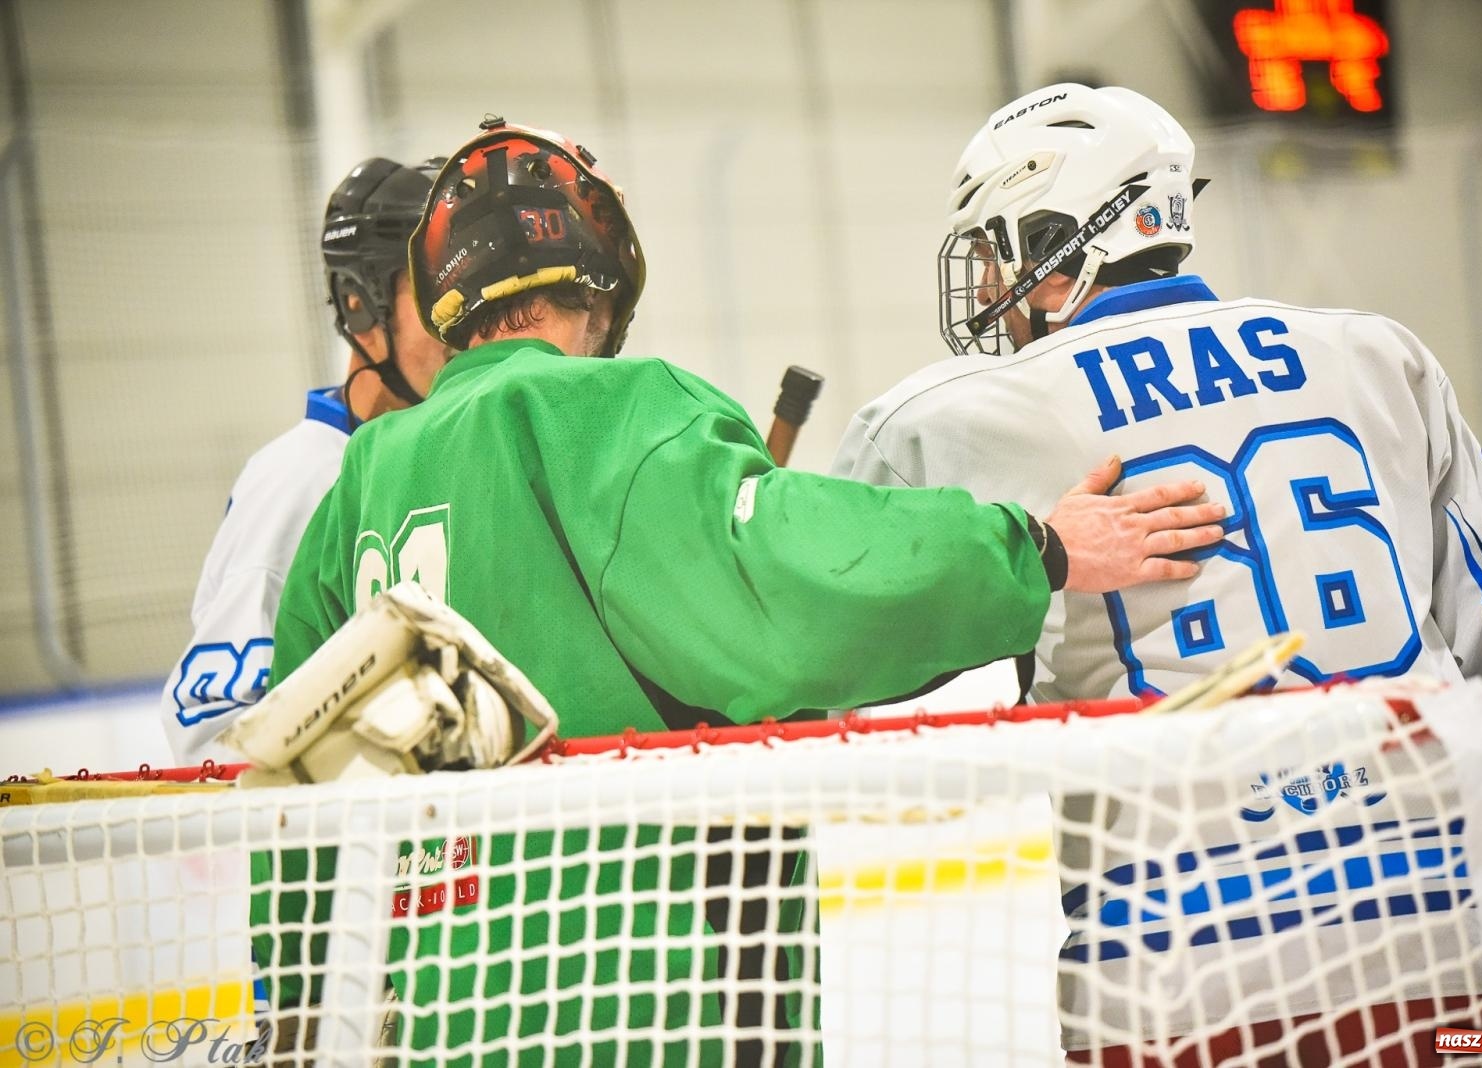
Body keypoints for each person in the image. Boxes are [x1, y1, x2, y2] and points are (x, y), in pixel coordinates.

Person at [253, 117, 1225, 1067]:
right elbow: (797, 586)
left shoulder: (363, 482)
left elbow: (287, 783)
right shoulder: (611, 412)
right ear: (598, 282)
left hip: (450, 1015)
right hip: (652, 1004)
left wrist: (290, 1004)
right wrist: (1039, 550)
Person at [829, 82, 1482, 1057]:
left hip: (1170, 961)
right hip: (1448, 930)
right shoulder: (1378, 357)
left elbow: (827, 641)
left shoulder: (946, 418)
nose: (988, 290)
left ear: (1064, 233)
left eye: (996, 251)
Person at [161, 158, 449, 764]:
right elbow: (215, 739)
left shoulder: (447, 454)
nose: (462, 321)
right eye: (434, 294)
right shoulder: (300, 479)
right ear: (360, 306)